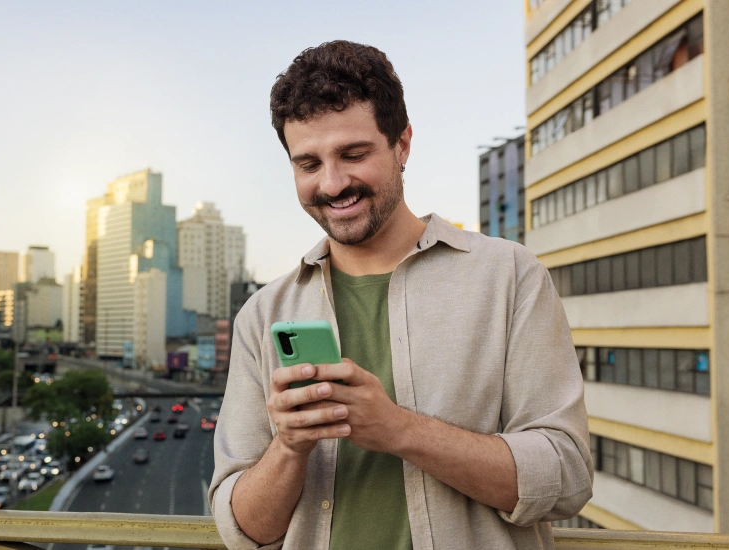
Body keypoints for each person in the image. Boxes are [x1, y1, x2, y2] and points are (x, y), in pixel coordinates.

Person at [210, 40, 593, 550]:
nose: (332, 183)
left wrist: (397, 430)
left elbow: (566, 476)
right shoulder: (263, 315)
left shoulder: (509, 276)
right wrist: (290, 446)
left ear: (402, 144)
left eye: (353, 154)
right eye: (308, 164)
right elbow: (244, 531)